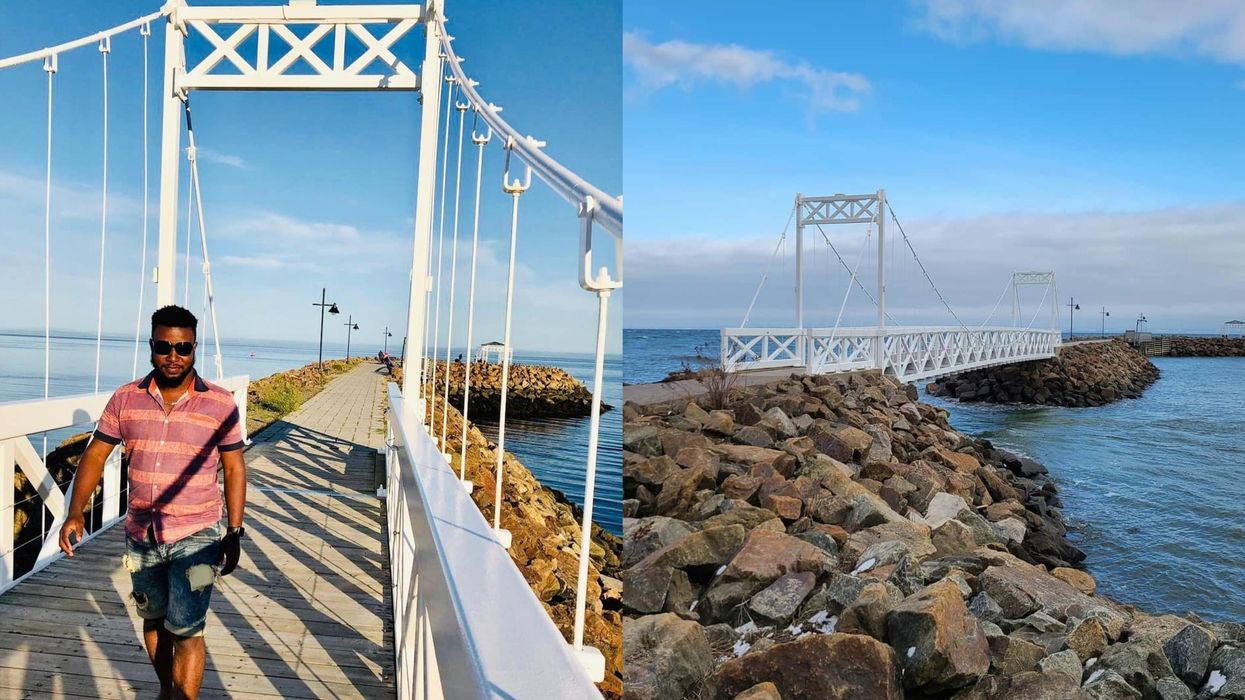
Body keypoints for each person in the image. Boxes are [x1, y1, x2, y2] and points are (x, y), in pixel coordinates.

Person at [59, 305, 246, 700]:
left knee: (188, 628)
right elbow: (95, 455)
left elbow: (233, 468)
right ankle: (167, 691)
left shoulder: (221, 403)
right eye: (164, 347)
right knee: (153, 618)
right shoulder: (125, 398)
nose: (173, 356)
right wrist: (75, 512)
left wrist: (234, 531)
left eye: (183, 347)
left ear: (194, 348)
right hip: (140, 537)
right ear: (151, 346)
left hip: (199, 537)